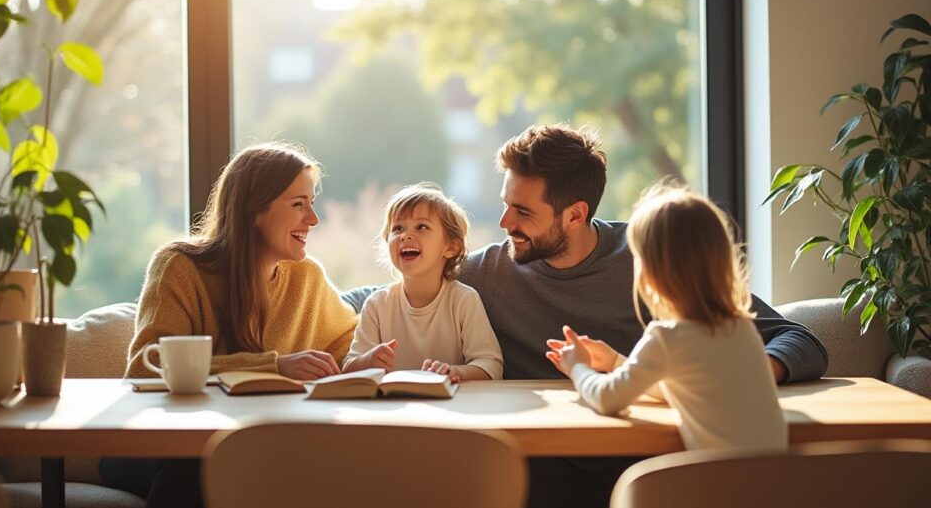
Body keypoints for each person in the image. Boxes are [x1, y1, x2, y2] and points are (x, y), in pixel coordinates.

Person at [343, 124, 826, 508]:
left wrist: (741, 374)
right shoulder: (491, 270)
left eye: (522, 212)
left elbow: (796, 339)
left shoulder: (649, 264)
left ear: (574, 215)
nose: (506, 223)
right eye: (504, 206)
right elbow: (377, 296)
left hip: (650, 469)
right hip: (539, 470)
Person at [101, 142, 358, 508]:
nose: (313, 219)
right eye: (299, 204)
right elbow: (145, 367)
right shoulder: (179, 267)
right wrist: (272, 367)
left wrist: (365, 359)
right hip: (155, 444)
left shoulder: (307, 278)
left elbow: (347, 342)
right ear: (255, 210)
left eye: (311, 203)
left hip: (249, 445)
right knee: (198, 465)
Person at [546, 181, 787, 451]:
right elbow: (682, 386)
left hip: (721, 486)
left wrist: (577, 366)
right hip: (774, 482)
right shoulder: (740, 329)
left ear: (652, 273)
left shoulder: (667, 338)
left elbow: (607, 399)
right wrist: (615, 361)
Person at [343, 183, 502, 382]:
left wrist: (455, 373)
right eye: (397, 228)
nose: (406, 235)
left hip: (452, 407)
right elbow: (349, 366)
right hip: (392, 408)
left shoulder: (464, 300)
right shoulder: (377, 304)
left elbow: (491, 365)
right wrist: (367, 362)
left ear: (451, 247)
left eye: (422, 227)